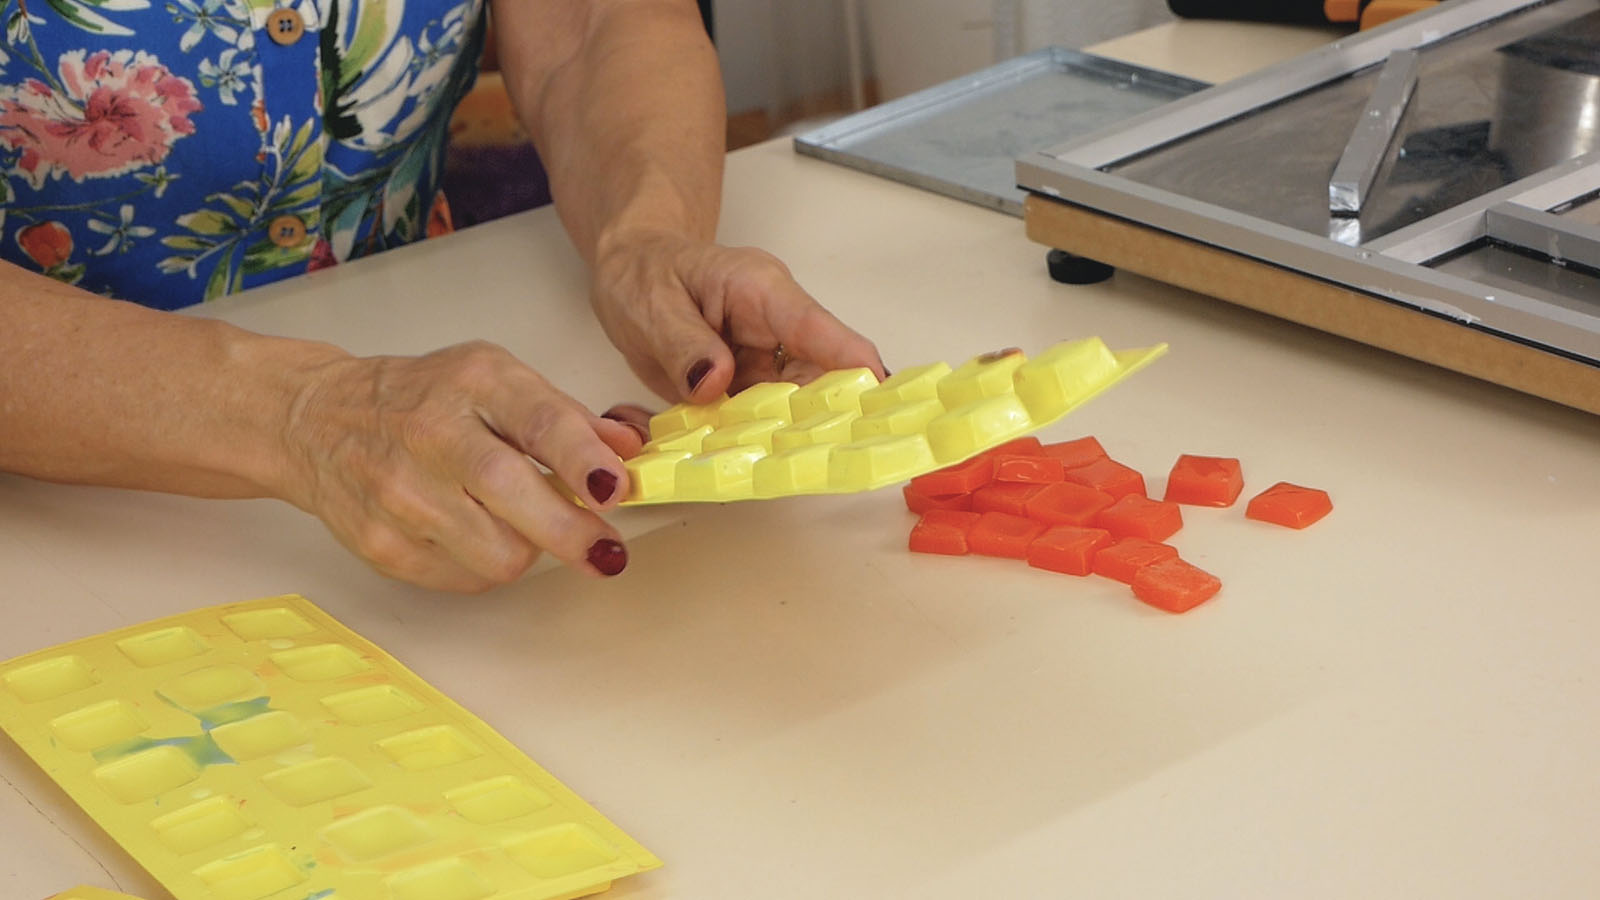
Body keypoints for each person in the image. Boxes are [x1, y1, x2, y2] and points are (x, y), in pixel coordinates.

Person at [0, 0, 886, 592]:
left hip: (425, 386)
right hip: (56, 518)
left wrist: (644, 233)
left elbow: (594, 24)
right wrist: (304, 413)